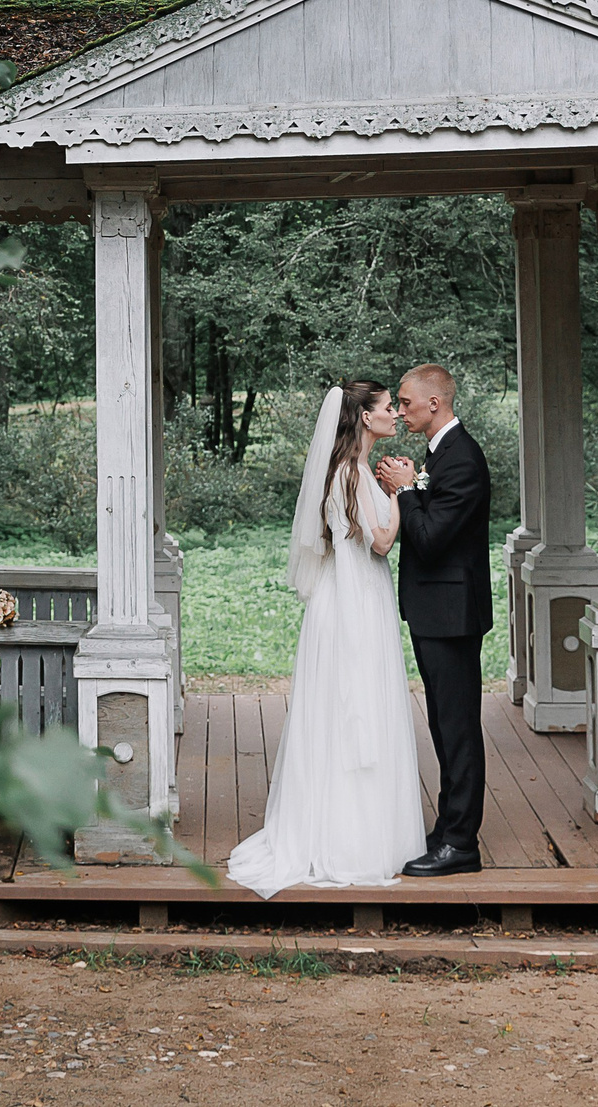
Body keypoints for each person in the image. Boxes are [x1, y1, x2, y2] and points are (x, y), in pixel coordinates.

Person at [226, 379, 427, 895]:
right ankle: (354, 841)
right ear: (364, 417)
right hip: (356, 602)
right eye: (388, 408)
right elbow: (381, 544)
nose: (395, 415)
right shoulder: (353, 475)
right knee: (358, 708)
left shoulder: (349, 471)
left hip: (346, 597)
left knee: (344, 710)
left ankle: (342, 830)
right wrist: (402, 494)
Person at [374, 363, 493, 877]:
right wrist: (409, 487)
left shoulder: (462, 458)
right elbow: (432, 519)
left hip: (451, 615)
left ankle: (461, 845)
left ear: (433, 405)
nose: (400, 410)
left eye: (404, 402)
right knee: (445, 726)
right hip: (436, 612)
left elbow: (430, 538)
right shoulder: (440, 453)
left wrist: (405, 490)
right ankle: (448, 828)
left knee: (458, 728)